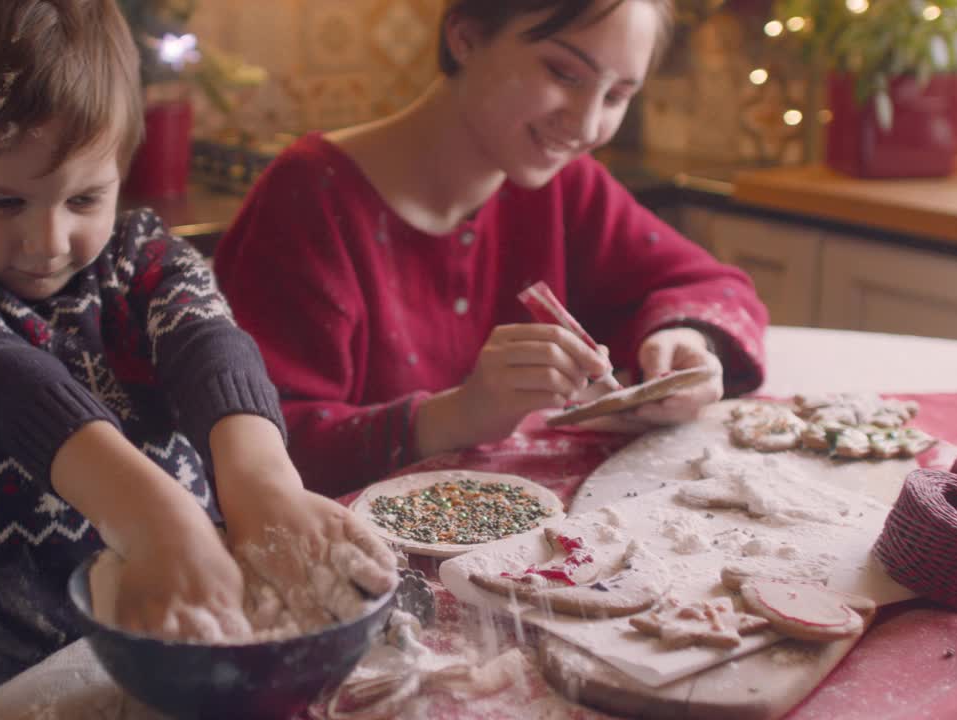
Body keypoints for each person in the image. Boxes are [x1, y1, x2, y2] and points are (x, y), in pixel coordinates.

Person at [0, 1, 395, 715]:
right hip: (16, 683)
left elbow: (207, 344)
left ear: (122, 160)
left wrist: (261, 478)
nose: (47, 240)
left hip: (199, 654)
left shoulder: (145, 263)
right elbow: (6, 384)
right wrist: (154, 517)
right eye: (4, 202)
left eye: (85, 197)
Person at [215, 0, 768, 498]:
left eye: (618, 95)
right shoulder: (310, 197)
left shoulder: (567, 184)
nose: (586, 123)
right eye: (562, 72)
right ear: (466, 37)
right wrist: (453, 417)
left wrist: (685, 341)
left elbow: (715, 287)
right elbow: (251, 448)